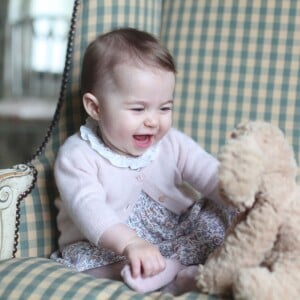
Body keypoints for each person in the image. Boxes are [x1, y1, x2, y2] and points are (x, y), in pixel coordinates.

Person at [51, 27, 235, 294]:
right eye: (138, 108)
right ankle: (168, 273)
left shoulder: (171, 142)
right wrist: (131, 243)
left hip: (175, 227)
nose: (152, 120)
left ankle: (181, 269)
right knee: (88, 264)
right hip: (111, 242)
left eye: (165, 108)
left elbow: (208, 173)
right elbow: (89, 208)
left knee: (223, 217)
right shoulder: (77, 155)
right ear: (96, 108)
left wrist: (239, 196)